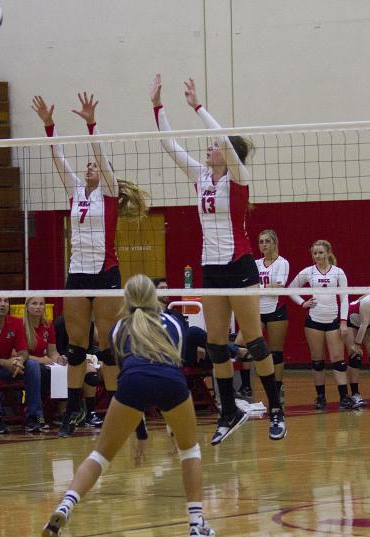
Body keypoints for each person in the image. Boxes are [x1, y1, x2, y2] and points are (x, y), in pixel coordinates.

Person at [150, 74, 285, 443]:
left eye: (214, 146)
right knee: (214, 345)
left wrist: (198, 107)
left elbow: (224, 137)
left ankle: (276, 409)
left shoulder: (238, 179)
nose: (209, 149)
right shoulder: (201, 178)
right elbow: (168, 144)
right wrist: (157, 106)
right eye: (209, 146)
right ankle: (228, 413)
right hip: (211, 267)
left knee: (255, 342)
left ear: (227, 154)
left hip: (240, 267)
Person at [42, 275, 215, 537]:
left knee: (100, 455)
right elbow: (175, 362)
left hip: (132, 383)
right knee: (189, 450)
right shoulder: (173, 322)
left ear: (127, 299)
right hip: (171, 381)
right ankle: (196, 523)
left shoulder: (117, 328)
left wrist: (141, 434)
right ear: (153, 297)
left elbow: (131, 376)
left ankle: (65, 505)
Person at [32, 92, 149, 437]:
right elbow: (58, 159)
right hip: (78, 274)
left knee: (109, 347)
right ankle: (72, 413)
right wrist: (49, 126)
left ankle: (119, 412)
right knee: (76, 348)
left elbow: (100, 154)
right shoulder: (76, 192)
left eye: (95, 165)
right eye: (88, 166)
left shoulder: (109, 193)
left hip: (106, 275)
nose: (89, 167)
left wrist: (90, 123)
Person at [288, 240, 355, 410]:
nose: (317, 256)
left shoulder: (338, 272)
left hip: (333, 321)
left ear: (328, 253)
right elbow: (291, 288)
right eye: (315, 253)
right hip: (314, 322)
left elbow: (344, 297)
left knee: (338, 360)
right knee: (317, 361)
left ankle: (344, 397)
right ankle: (320, 397)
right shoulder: (309, 272)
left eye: (321, 253)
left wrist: (343, 321)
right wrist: (303, 303)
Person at [0, 297, 46, 433]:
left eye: (6, 301)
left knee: (33, 365)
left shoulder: (16, 323)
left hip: (11, 367)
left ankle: (34, 417)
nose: (3, 304)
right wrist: (4, 362)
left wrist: (20, 362)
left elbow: (23, 352)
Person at [236, 229, 290, 402]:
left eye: (267, 241)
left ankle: (277, 389)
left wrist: (259, 288)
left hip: (276, 310)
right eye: (261, 242)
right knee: (242, 344)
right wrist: (265, 287)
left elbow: (279, 288)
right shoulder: (256, 263)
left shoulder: (282, 263)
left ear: (275, 243)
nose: (264, 245)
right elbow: (247, 286)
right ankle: (246, 386)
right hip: (256, 311)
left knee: (276, 353)